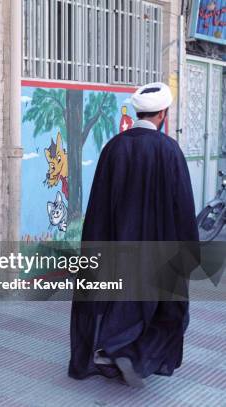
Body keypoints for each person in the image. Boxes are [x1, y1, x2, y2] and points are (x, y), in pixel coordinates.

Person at [68, 82, 199, 387]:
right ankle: (133, 355)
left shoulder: (114, 147)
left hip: (118, 245)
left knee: (121, 301)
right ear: (163, 114)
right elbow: (183, 203)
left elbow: (98, 203)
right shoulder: (169, 150)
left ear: (137, 111)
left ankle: (116, 350)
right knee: (164, 306)